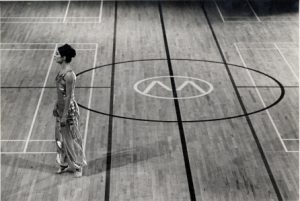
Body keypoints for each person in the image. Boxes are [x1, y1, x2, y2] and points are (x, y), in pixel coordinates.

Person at [53, 44, 87, 177]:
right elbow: (60, 94)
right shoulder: (61, 71)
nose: (55, 56)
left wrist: (64, 115)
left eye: (57, 54)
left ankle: (78, 166)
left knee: (71, 138)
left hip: (68, 112)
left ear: (64, 57)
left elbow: (68, 97)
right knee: (59, 137)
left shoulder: (69, 75)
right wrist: (57, 105)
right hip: (60, 109)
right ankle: (65, 163)